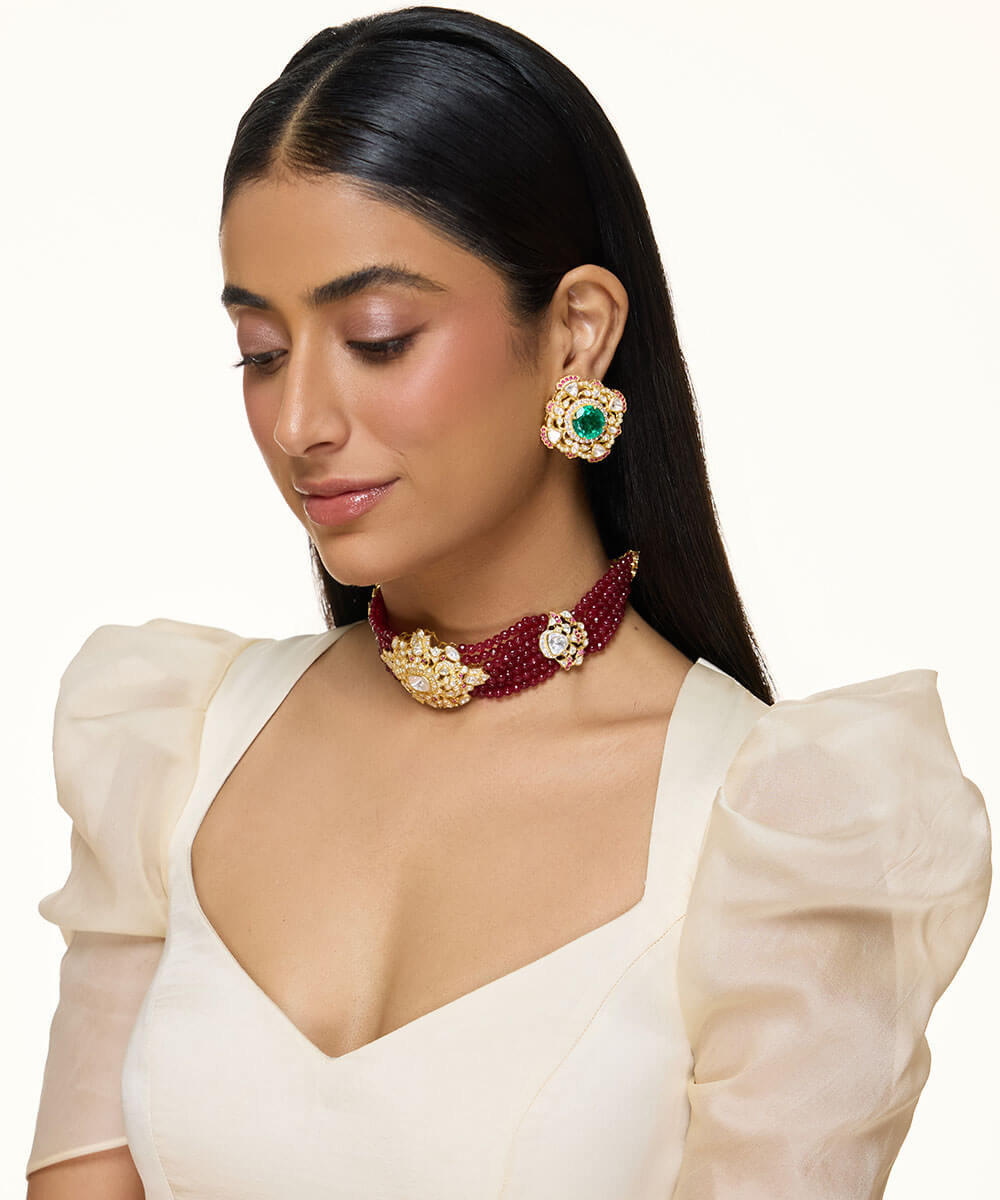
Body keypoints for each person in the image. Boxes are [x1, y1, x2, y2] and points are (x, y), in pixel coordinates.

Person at [25, 7, 991, 1198]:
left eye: (378, 336)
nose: (299, 422)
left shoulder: (783, 838)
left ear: (576, 334)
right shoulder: (170, 748)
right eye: (262, 350)